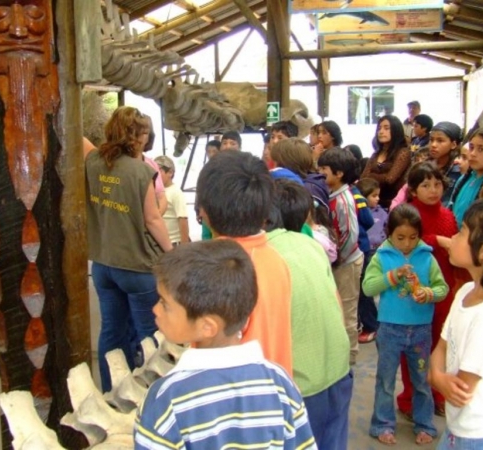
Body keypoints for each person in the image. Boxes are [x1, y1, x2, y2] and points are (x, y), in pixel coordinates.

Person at [134, 240, 317, 450]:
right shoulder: (281, 384)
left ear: (207, 327)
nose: (155, 309)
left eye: (165, 304)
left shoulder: (165, 400)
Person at [85, 106, 172, 392]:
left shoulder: (93, 162)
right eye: (144, 133)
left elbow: (79, 140)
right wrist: (172, 253)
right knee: (150, 333)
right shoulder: (140, 171)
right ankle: (152, 393)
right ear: (135, 136)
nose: (147, 140)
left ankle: (112, 389)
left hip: (102, 264)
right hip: (137, 266)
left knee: (111, 330)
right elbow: (153, 219)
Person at [265, 179, 352, 449]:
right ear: (305, 215)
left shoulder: (263, 254)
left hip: (302, 383)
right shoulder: (313, 245)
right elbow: (336, 305)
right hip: (339, 368)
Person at [196, 150, 293, 374]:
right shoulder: (275, 258)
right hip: (276, 392)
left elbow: (210, 362)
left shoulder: (221, 271)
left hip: (241, 402)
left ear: (203, 211)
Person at [429, 200, 483, 449]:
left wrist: (436, 377)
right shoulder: (466, 290)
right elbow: (441, 348)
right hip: (458, 429)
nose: (453, 237)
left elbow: (461, 390)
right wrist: (436, 376)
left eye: (462, 231)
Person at [363, 204, 448, 446]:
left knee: (422, 380)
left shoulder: (427, 257)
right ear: (389, 233)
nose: (407, 243)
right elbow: (368, 287)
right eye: (400, 238)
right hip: (390, 328)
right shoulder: (382, 256)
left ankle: (425, 424)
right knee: (385, 380)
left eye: (413, 237)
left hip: (420, 329)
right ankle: (382, 424)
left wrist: (428, 293)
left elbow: (443, 288)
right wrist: (392, 276)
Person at [396, 162, 458, 419]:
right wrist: (436, 241)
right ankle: (410, 397)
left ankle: (438, 394)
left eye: (437, 184)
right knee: (414, 344)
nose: (433, 190)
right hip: (416, 289)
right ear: (412, 190)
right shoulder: (409, 215)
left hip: (443, 289)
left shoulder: (448, 215)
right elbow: (403, 243)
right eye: (425, 185)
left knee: (441, 342)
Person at [318, 148, 364, 365]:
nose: (320, 172)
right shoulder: (333, 195)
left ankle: (349, 357)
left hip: (347, 262)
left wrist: (337, 259)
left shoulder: (343, 201)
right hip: (341, 261)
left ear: (339, 174)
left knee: (347, 311)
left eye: (324, 169)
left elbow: (349, 234)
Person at [355, 177, 385, 343]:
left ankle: (372, 325)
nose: (377, 199)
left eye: (378, 195)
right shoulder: (360, 205)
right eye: (374, 195)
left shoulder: (379, 213)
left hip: (369, 252)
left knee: (365, 291)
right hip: (365, 251)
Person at [361, 115, 411, 209]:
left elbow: (390, 179)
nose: (381, 131)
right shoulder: (376, 154)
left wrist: (371, 175)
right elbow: (363, 179)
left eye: (386, 128)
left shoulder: (403, 152)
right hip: (373, 203)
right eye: (379, 128)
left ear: (395, 130)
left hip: (394, 203)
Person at [154, 155, 189, 246]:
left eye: (159, 171)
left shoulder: (176, 193)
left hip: (173, 242)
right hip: (159, 241)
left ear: (170, 172)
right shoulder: (153, 191)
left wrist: (184, 247)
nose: (154, 175)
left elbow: (183, 220)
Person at [141, 115, 168, 215]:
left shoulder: (151, 164)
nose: (140, 137)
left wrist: (154, 216)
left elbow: (161, 197)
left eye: (145, 132)